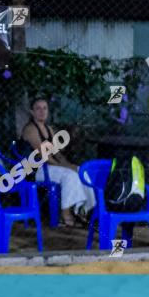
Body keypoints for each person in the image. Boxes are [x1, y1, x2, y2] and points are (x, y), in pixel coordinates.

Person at [20, 97, 95, 227]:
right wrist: (66, 168)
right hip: (37, 170)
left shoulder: (49, 129)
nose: (42, 111)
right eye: (38, 108)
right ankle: (64, 215)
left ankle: (83, 211)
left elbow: (57, 154)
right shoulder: (30, 130)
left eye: (45, 108)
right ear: (32, 112)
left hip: (51, 168)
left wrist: (70, 165)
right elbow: (44, 156)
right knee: (69, 175)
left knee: (81, 171)